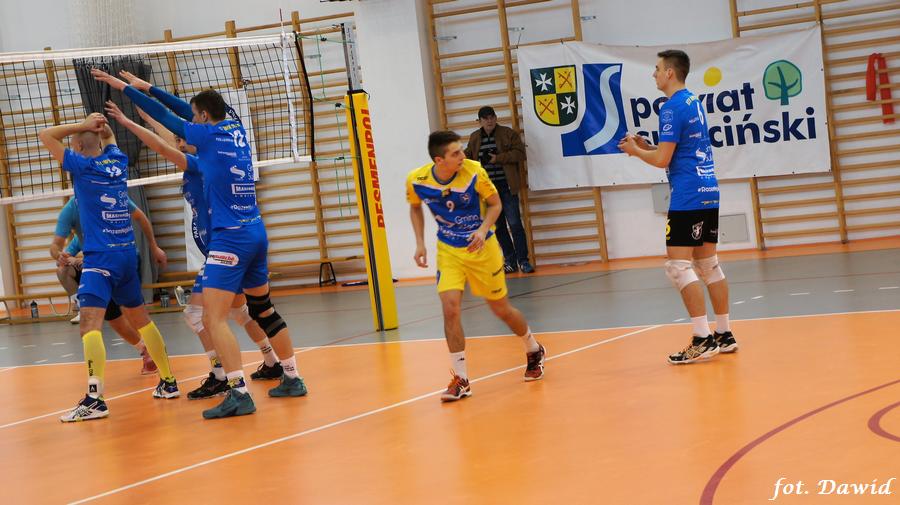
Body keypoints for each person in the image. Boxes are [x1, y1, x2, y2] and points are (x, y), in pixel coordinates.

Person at [92, 69, 306, 420]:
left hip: (229, 239)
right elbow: (179, 111)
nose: (189, 123)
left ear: (204, 117)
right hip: (255, 231)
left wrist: (125, 90)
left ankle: (237, 392)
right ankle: (292, 376)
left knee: (212, 317)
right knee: (261, 309)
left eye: (195, 117)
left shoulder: (203, 146)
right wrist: (148, 87)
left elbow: (167, 121)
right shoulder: (234, 129)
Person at [38, 113, 180, 422]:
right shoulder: (117, 161)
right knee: (141, 320)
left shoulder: (82, 167)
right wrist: (102, 127)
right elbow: (110, 139)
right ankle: (169, 381)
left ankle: (94, 399)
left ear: (78, 146)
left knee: (89, 325)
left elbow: (46, 135)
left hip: (101, 259)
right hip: (126, 255)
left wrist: (84, 125)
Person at [618, 49, 738, 364]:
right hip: (707, 188)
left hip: (687, 194)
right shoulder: (692, 101)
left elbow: (663, 161)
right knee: (709, 265)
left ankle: (702, 338)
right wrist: (648, 146)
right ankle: (724, 333)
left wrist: (635, 152)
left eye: (657, 69)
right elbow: (676, 150)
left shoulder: (670, 107)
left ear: (670, 72)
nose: (654, 74)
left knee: (678, 266)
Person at [407, 130, 546, 402]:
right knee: (450, 309)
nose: (462, 155)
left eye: (461, 150)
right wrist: (420, 243)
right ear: (439, 160)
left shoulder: (474, 171)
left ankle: (533, 348)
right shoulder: (417, 180)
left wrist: (482, 230)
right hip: (449, 251)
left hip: (482, 249)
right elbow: (415, 207)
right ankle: (461, 379)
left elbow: (495, 205)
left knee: (502, 310)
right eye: (455, 153)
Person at [50, 208, 159, 376]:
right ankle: (143, 349)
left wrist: (154, 247)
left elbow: (139, 217)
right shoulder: (76, 221)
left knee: (132, 314)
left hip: (121, 267)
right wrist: (63, 257)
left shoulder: (109, 215)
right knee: (114, 320)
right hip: (97, 276)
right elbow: (58, 252)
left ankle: (162, 366)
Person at [464, 106, 534, 274]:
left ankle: (523, 261)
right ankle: (510, 261)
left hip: (507, 186)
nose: (489, 121)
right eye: (486, 118)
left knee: (515, 224)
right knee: (499, 226)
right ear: (479, 121)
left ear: (496, 118)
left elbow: (520, 153)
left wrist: (498, 158)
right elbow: (468, 157)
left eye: (492, 117)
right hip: (488, 190)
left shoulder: (508, 133)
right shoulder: (474, 137)